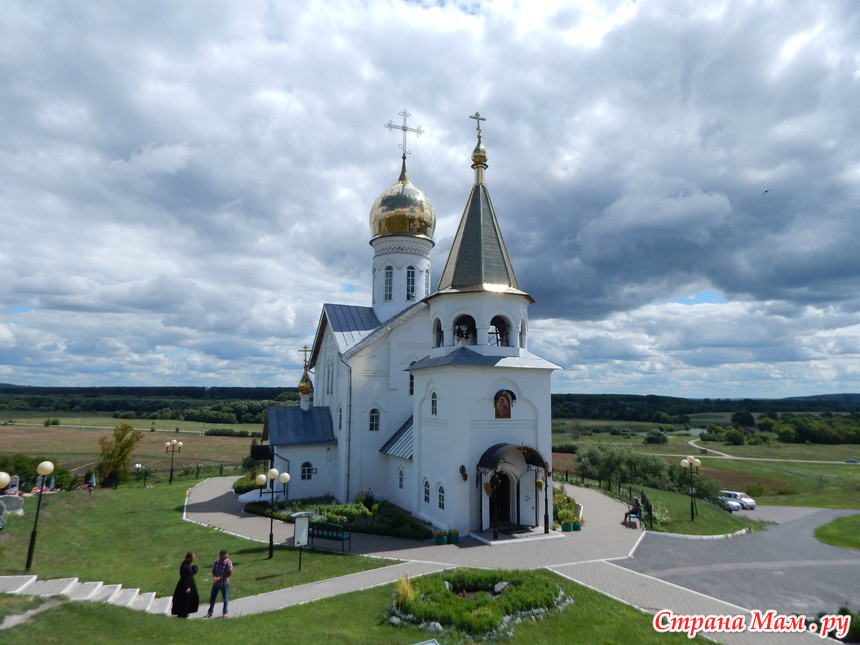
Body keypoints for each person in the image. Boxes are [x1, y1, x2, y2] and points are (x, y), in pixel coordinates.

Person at [170, 551, 199, 618]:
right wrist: (187, 587)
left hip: (189, 584)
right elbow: (184, 577)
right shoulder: (184, 566)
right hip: (185, 585)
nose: (193, 559)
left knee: (189, 599)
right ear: (189, 558)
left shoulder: (187, 564)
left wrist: (193, 569)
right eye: (192, 557)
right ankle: (182, 613)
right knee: (184, 599)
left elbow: (189, 572)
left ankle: (185, 612)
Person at [207, 549, 232, 617]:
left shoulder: (228, 562)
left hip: (224, 584)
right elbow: (213, 571)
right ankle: (210, 612)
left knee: (225, 599)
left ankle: (225, 612)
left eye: (223, 556)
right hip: (216, 584)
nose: (221, 557)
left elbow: (229, 574)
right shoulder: (216, 561)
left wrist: (220, 578)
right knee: (212, 598)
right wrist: (215, 576)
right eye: (221, 556)